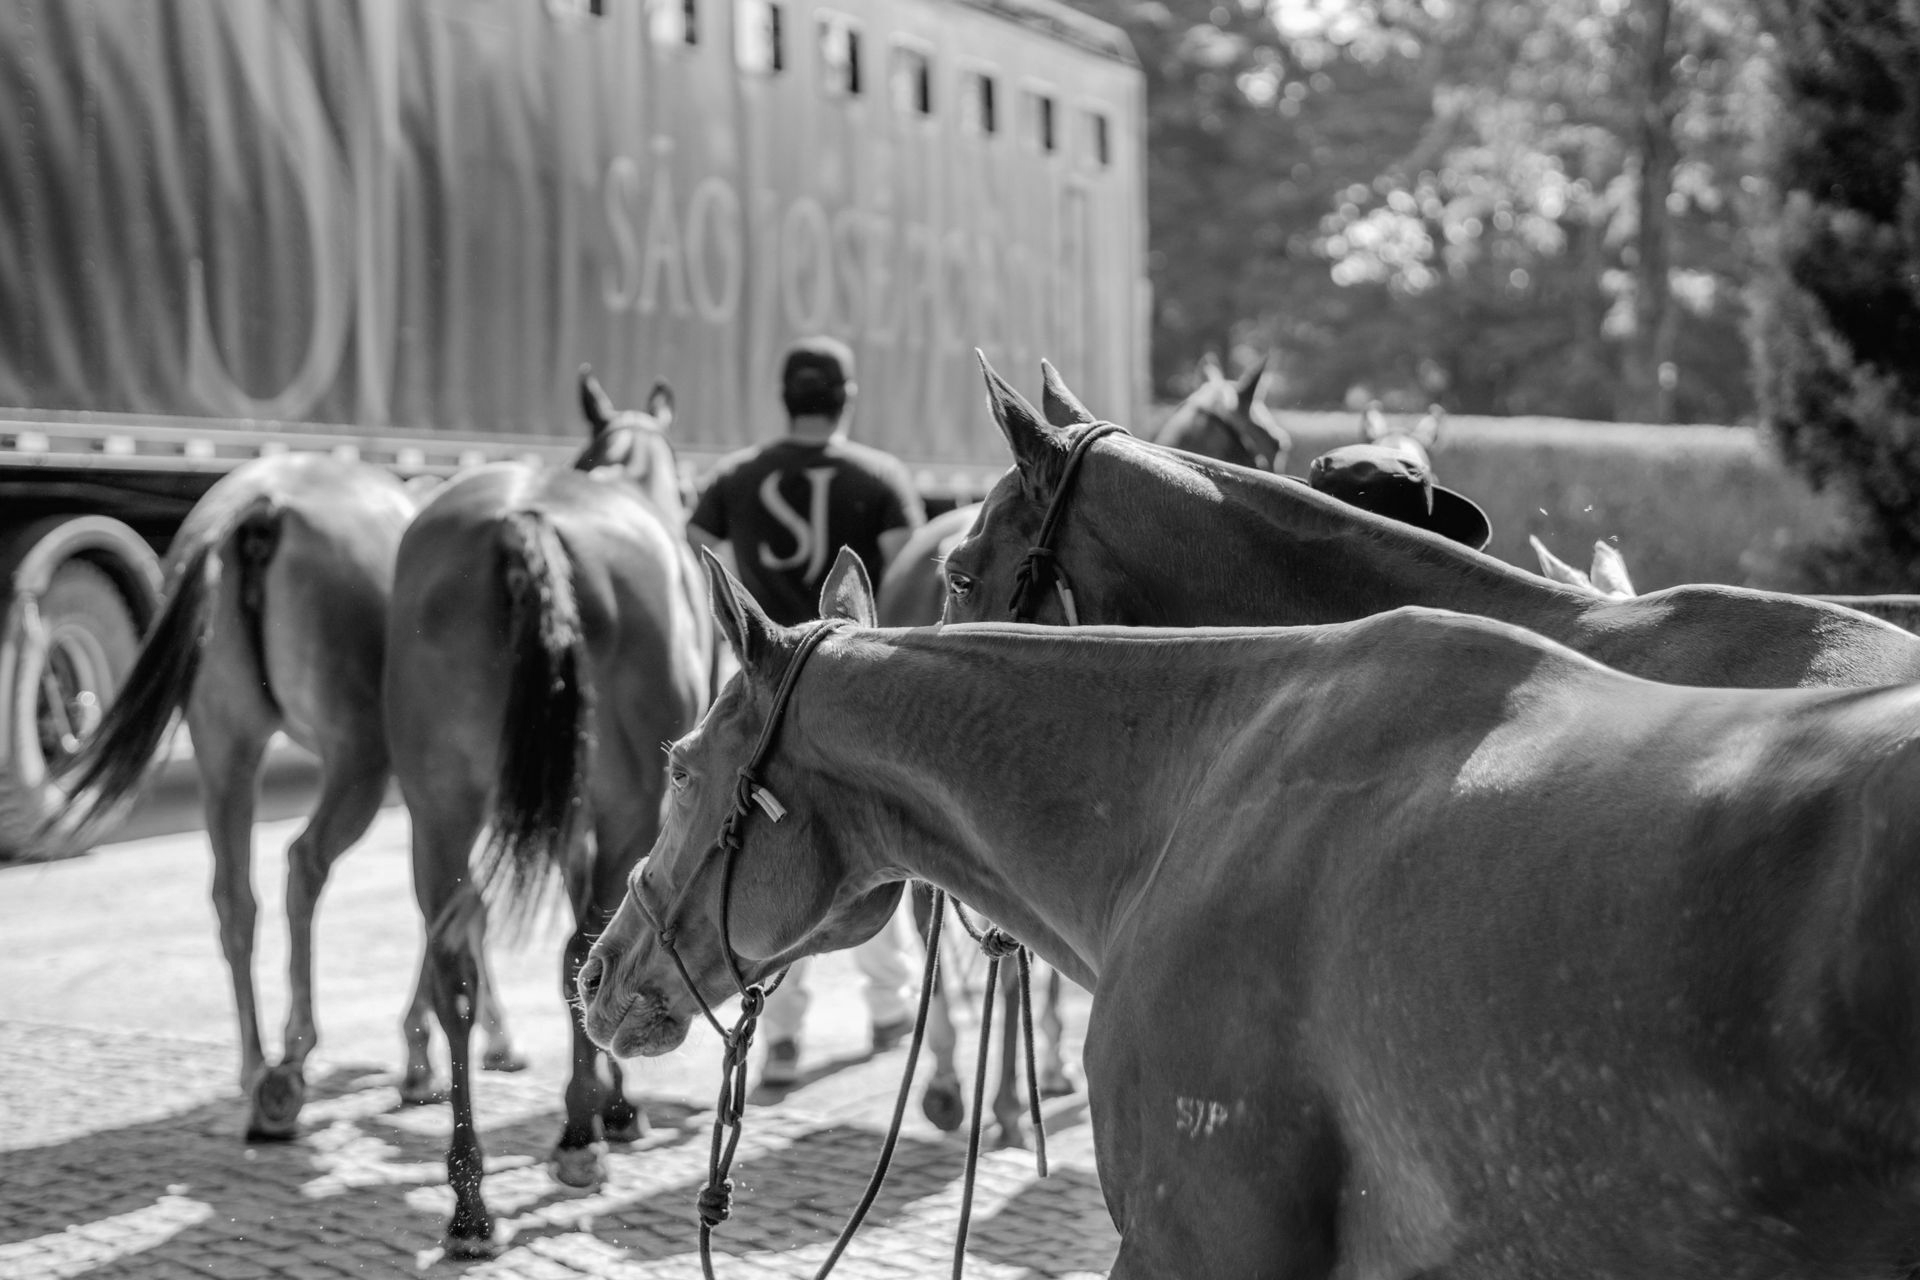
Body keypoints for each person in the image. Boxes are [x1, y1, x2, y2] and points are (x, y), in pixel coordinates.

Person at [687, 335, 926, 1086]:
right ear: (846, 398)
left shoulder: (736, 477)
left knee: (769, 857)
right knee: (871, 848)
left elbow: (693, 544)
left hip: (762, 697)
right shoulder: (881, 478)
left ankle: (781, 1038)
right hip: (849, 695)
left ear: (785, 397)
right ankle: (889, 1007)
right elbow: (909, 575)